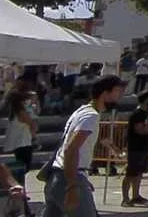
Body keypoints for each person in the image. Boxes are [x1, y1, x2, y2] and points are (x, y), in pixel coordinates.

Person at [40, 75, 124, 217]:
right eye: (117, 92)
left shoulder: (82, 111)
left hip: (57, 177)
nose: (120, 96)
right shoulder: (90, 116)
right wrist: (73, 185)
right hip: (68, 178)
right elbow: (71, 149)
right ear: (105, 93)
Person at [122, 89, 148, 206]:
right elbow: (140, 130)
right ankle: (125, 199)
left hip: (144, 147)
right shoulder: (137, 114)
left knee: (139, 172)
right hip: (135, 147)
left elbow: (147, 129)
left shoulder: (145, 113)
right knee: (131, 173)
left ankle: (136, 196)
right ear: (147, 99)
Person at [3, 90, 37, 184]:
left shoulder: (13, 113)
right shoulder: (21, 112)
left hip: (19, 144)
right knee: (25, 168)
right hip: (24, 143)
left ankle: (21, 185)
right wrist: (34, 136)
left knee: (21, 167)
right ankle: (22, 186)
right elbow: (32, 124)